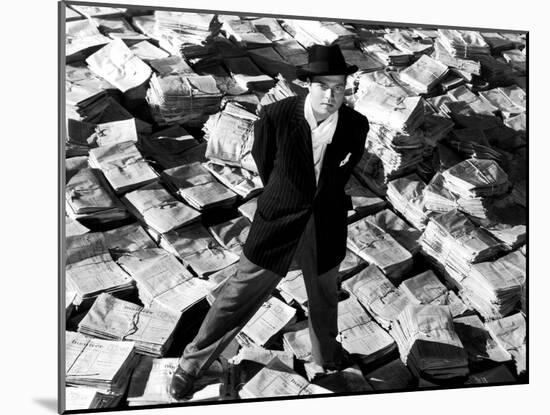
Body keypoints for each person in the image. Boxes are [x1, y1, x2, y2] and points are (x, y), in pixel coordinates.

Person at [170, 44, 369, 399]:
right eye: (324, 86)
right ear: (309, 84)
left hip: (325, 223)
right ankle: (191, 364)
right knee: (238, 294)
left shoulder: (356, 125)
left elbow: (345, 170)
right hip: (277, 220)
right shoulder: (277, 115)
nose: (331, 94)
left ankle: (328, 359)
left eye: (339, 87)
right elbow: (265, 162)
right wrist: (286, 195)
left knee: (324, 297)